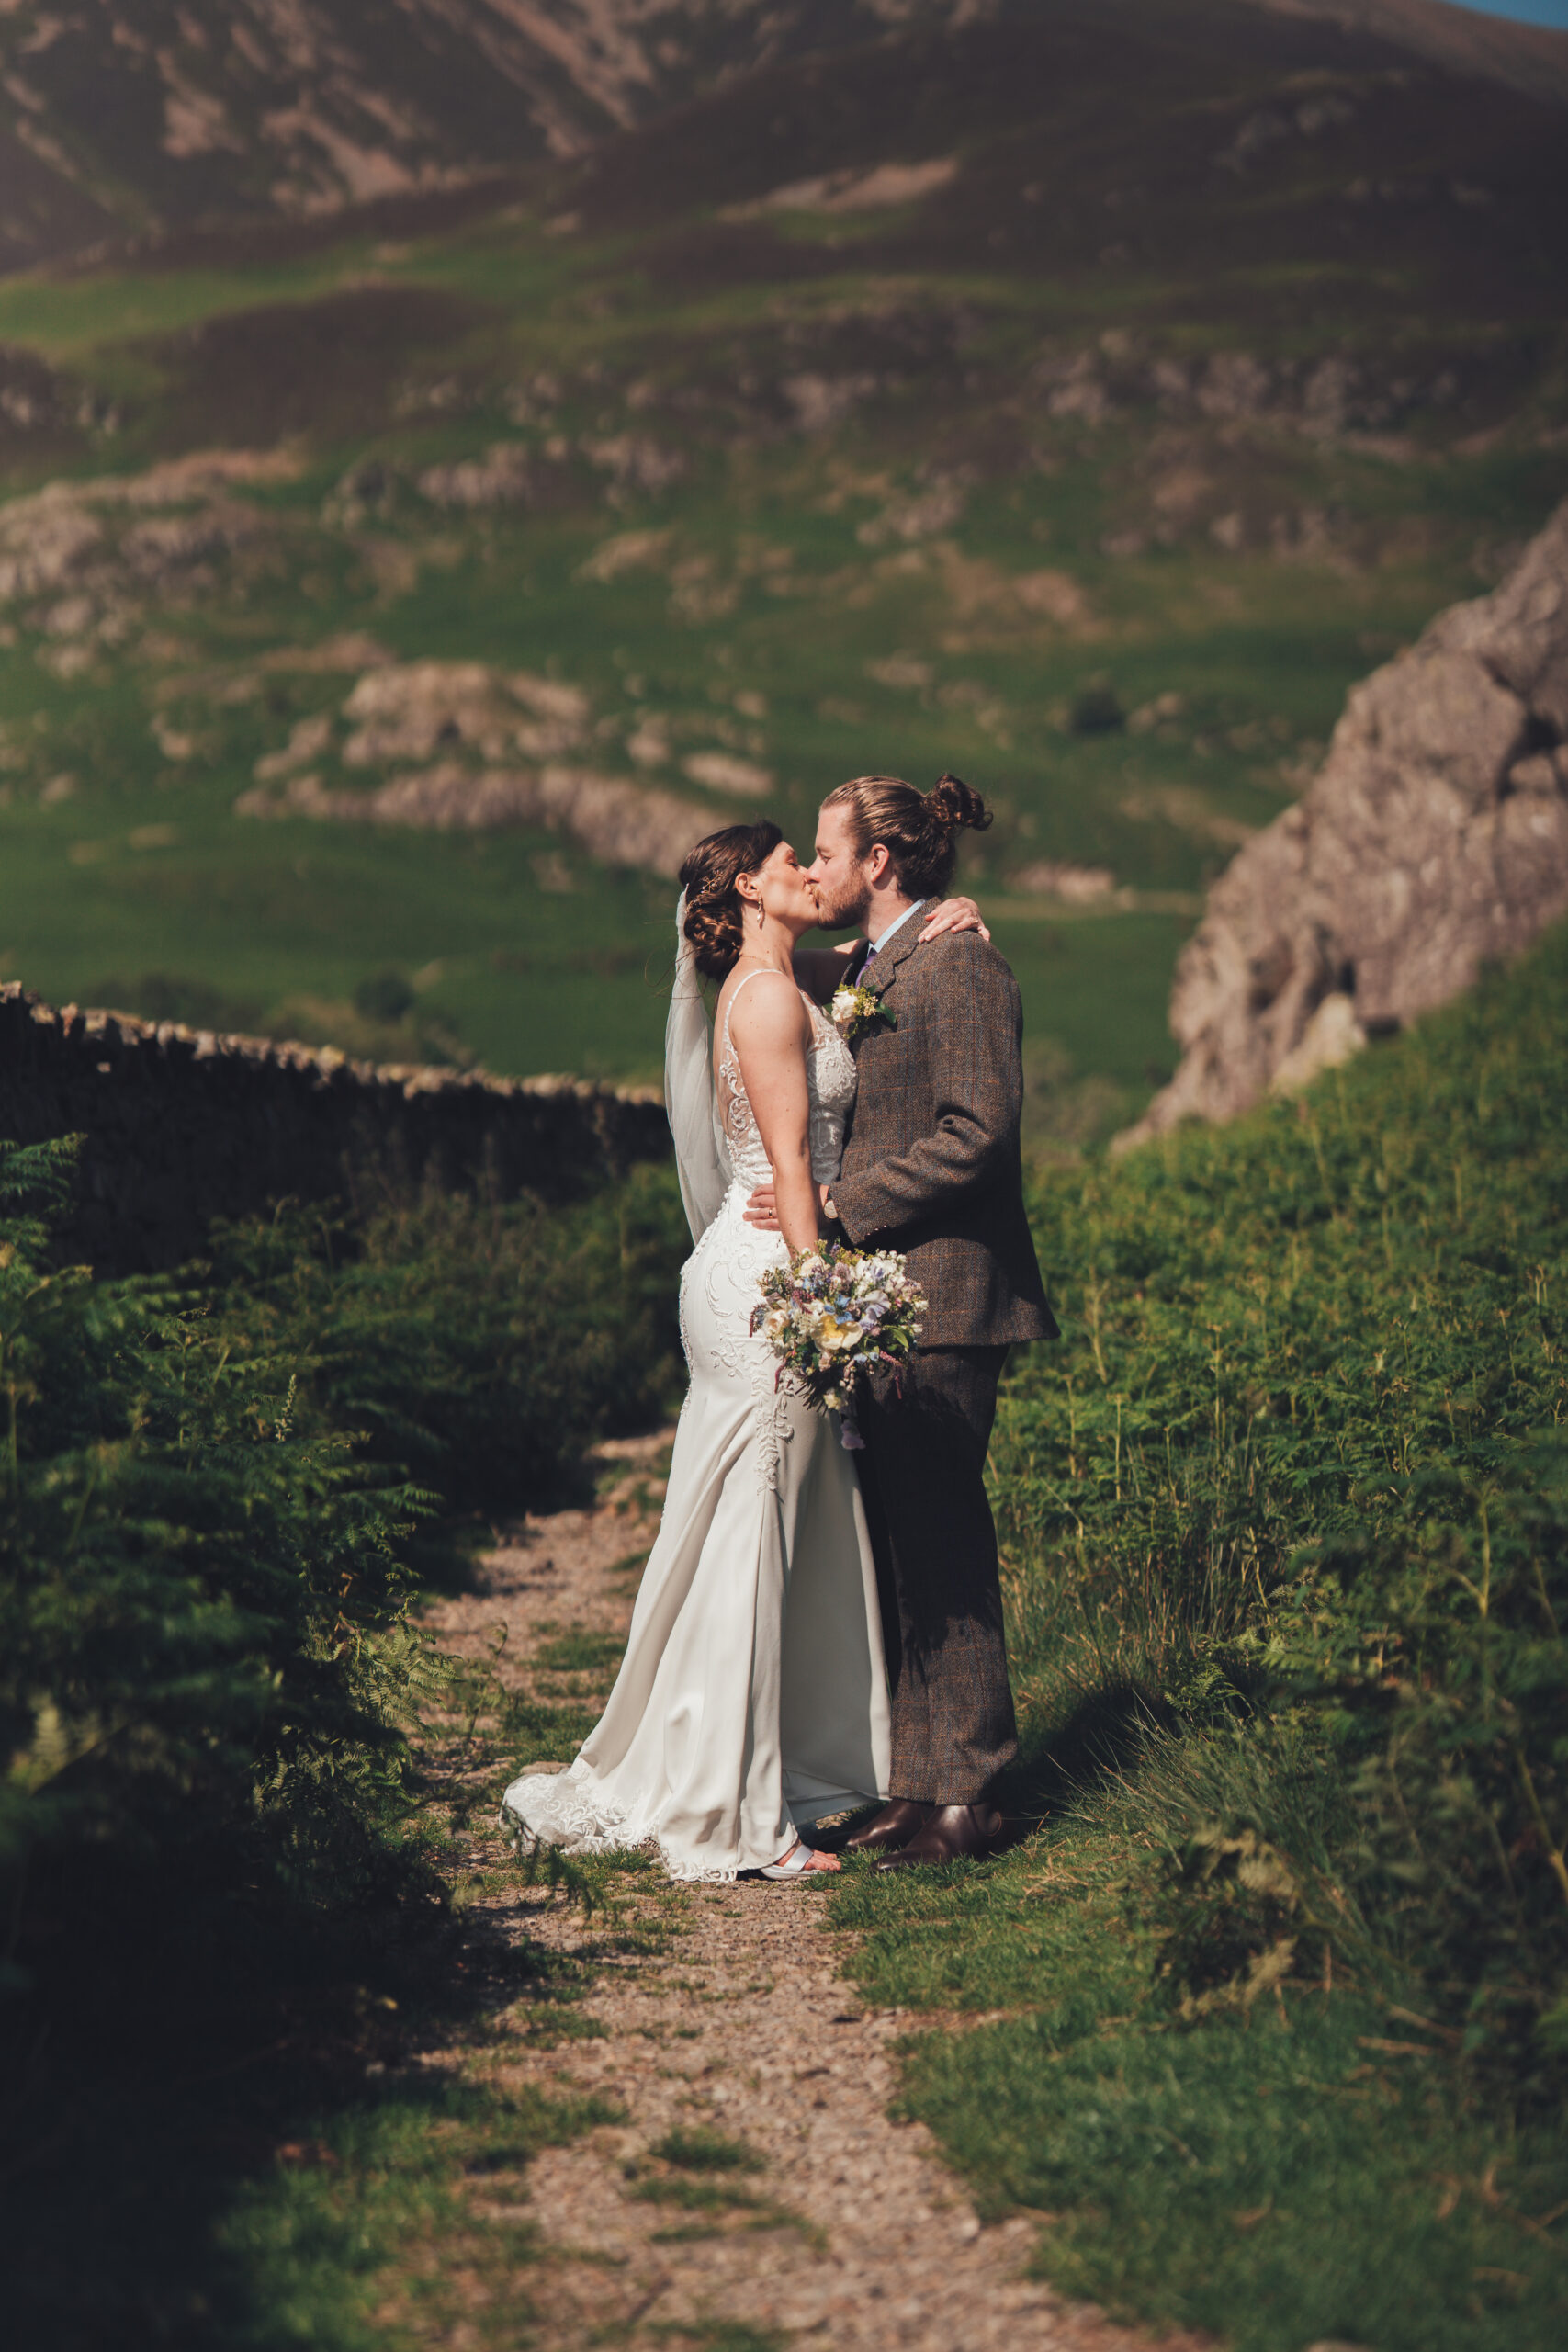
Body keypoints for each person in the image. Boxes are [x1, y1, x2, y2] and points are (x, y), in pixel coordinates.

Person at [500, 819, 987, 1883]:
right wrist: (826, 1305)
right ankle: (733, 1815)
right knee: (753, 1536)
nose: (809, 871)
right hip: (770, 1281)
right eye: (788, 863)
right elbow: (790, 1169)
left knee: (756, 1528)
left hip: (761, 1273)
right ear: (753, 891)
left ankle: (757, 1768)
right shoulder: (765, 999)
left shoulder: (781, 978)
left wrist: (944, 920)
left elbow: (866, 952)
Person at [746, 775, 1055, 1868]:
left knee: (945, 1545)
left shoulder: (961, 963)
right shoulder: (881, 963)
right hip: (891, 1303)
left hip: (949, 1298)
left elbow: (979, 1132)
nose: (816, 870)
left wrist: (842, 1203)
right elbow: (762, 963)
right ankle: (922, 1787)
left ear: (879, 860)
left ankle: (976, 1794)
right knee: (903, 1552)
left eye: (827, 853)